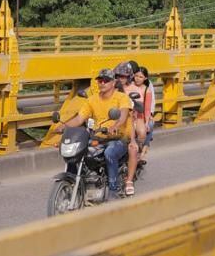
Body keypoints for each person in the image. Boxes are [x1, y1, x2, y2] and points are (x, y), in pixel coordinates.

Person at [53, 68, 132, 197]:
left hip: (116, 138)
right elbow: (79, 118)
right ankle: (73, 183)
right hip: (97, 137)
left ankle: (113, 190)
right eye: (100, 80)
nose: (102, 83)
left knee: (110, 152)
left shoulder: (121, 98)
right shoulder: (92, 100)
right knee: (77, 151)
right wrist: (64, 126)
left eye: (106, 81)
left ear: (113, 83)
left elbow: (123, 116)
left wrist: (115, 125)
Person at [112, 61, 143, 196]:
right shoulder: (109, 88)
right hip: (109, 124)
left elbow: (138, 109)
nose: (120, 79)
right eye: (118, 76)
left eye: (123, 77)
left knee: (132, 148)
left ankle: (129, 181)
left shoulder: (133, 90)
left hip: (128, 123)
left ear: (129, 77)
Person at [125, 65, 155, 160]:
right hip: (126, 115)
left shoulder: (147, 90)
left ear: (145, 78)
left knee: (145, 129)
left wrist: (146, 123)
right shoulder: (128, 86)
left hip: (139, 116)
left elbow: (147, 109)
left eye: (141, 77)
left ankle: (140, 151)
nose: (138, 79)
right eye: (136, 76)